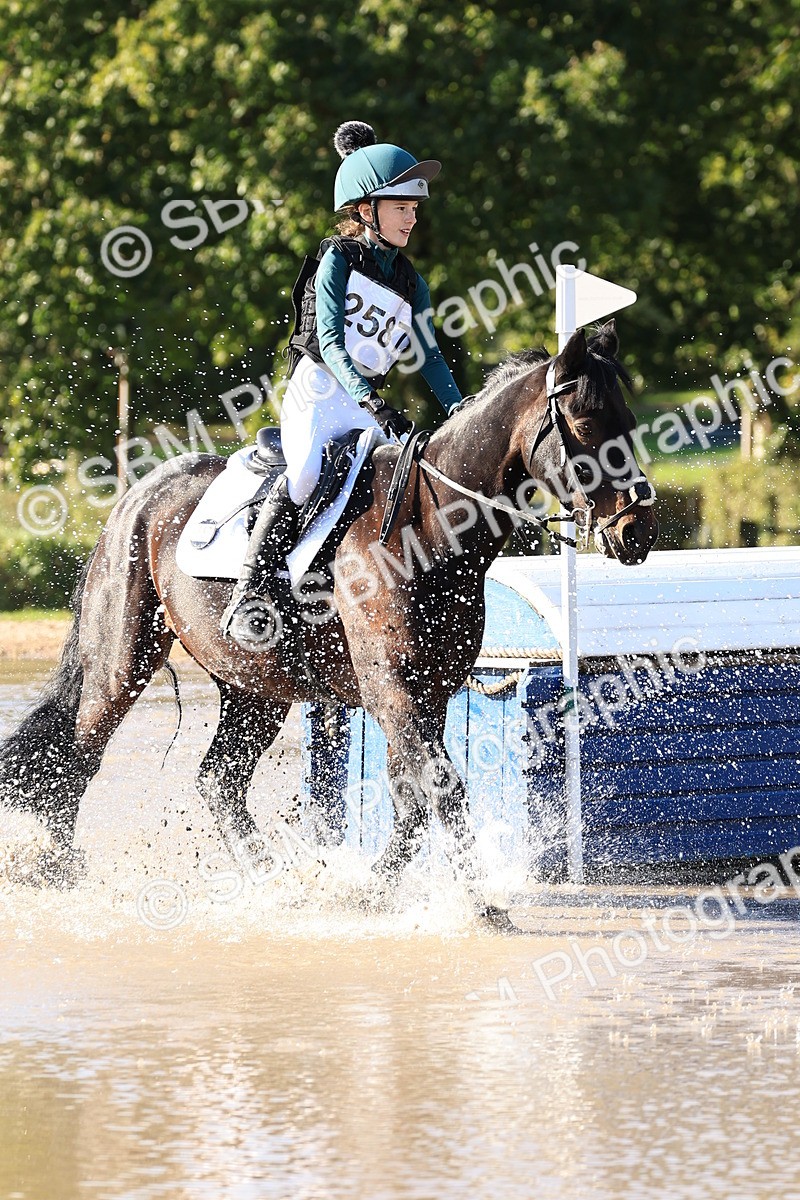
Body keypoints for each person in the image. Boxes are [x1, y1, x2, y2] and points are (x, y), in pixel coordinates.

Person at [220, 119, 463, 645]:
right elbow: (330, 343)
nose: (411, 219)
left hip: (365, 399)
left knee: (395, 486)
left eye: (414, 209)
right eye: (401, 208)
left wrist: (462, 412)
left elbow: (429, 355)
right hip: (320, 389)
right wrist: (374, 404)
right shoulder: (337, 259)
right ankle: (249, 592)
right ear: (365, 210)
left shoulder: (410, 280)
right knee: (308, 472)